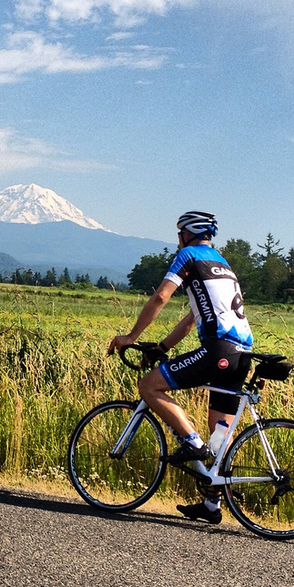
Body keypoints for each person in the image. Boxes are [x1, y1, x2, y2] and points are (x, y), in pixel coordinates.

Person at [108, 210, 253, 524]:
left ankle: (192, 443)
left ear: (187, 234)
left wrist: (131, 337)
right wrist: (161, 348)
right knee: (219, 433)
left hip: (219, 351)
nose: (177, 240)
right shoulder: (222, 264)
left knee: (149, 386)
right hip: (242, 355)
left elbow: (161, 297)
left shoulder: (189, 256)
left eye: (179, 234)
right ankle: (212, 504)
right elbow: (191, 320)